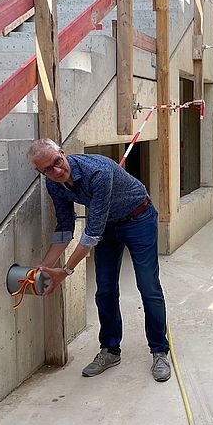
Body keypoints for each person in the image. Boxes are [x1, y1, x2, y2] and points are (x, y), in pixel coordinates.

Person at [27, 138, 171, 382]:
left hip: (139, 218)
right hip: (108, 227)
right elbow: (65, 226)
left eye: (57, 162)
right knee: (104, 289)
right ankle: (110, 350)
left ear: (63, 153)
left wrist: (66, 270)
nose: (57, 171)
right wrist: (44, 265)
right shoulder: (54, 184)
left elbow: (92, 231)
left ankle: (159, 351)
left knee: (148, 286)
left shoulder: (98, 172)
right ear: (39, 172)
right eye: (47, 170)